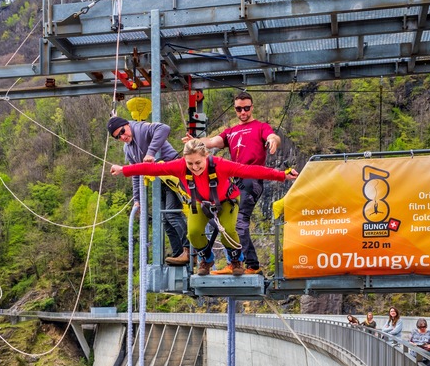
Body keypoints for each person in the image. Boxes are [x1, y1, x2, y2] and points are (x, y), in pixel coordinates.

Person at [110, 139, 297, 276]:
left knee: (229, 229)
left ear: (206, 156)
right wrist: (123, 170)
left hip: (227, 201)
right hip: (200, 203)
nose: (194, 167)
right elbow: (152, 169)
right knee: (193, 232)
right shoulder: (180, 167)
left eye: (198, 163)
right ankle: (206, 259)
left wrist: (282, 175)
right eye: (190, 164)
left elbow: (250, 170)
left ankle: (235, 260)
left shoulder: (220, 165)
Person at [182, 91, 282, 275]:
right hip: (235, 181)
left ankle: (249, 264)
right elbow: (211, 141)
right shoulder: (231, 131)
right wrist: (196, 142)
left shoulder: (260, 126)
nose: (243, 112)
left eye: (246, 108)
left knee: (238, 222)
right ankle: (238, 261)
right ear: (235, 109)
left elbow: (272, 136)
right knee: (218, 220)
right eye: (239, 109)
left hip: (251, 178)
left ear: (252, 107)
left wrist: (272, 140)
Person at [107, 116, 190, 265]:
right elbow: (135, 173)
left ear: (127, 125)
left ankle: (189, 250)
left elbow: (164, 128)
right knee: (165, 219)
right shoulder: (128, 149)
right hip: (160, 180)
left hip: (173, 173)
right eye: (118, 137)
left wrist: (151, 152)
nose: (123, 137)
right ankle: (179, 253)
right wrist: (137, 199)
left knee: (171, 214)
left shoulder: (141, 128)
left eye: (123, 132)